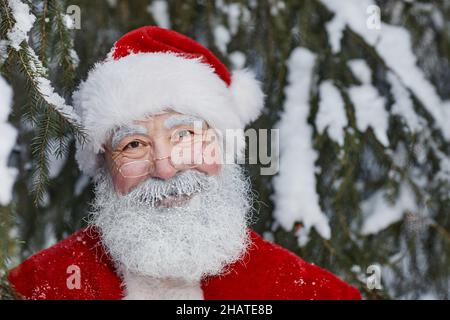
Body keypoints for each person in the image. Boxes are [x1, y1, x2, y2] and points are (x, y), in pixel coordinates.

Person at [8, 26, 361, 300]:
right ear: (104, 165)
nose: (165, 168)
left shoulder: (309, 291)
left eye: (185, 136)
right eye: (133, 144)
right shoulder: (36, 286)